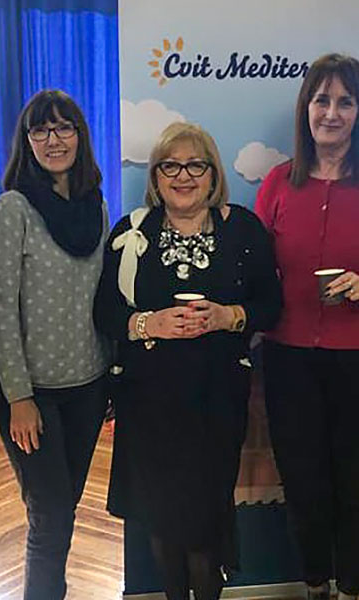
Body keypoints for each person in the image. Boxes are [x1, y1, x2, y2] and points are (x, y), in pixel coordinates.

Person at [254, 53, 359, 600]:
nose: (331, 113)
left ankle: (353, 585)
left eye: (345, 102)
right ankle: (315, 584)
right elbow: (256, 266)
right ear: (305, 108)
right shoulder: (279, 182)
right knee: (301, 480)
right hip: (288, 357)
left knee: (351, 480)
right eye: (322, 100)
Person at [94, 122, 282, 600]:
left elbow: (271, 305)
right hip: (149, 403)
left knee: (205, 520)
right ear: (155, 176)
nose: (183, 176)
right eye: (170, 166)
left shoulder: (242, 229)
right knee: (161, 519)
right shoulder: (132, 231)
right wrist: (148, 324)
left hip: (217, 402)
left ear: (213, 173)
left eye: (195, 165)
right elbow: (105, 312)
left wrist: (229, 316)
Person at [0, 89, 110, 600]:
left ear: (80, 136)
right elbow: (0, 310)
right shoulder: (13, 208)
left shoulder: (96, 205)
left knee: (64, 508)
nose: (53, 139)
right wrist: (18, 397)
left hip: (89, 387)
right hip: (32, 395)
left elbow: (103, 298)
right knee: (51, 514)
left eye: (64, 128)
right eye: (40, 130)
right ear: (27, 142)